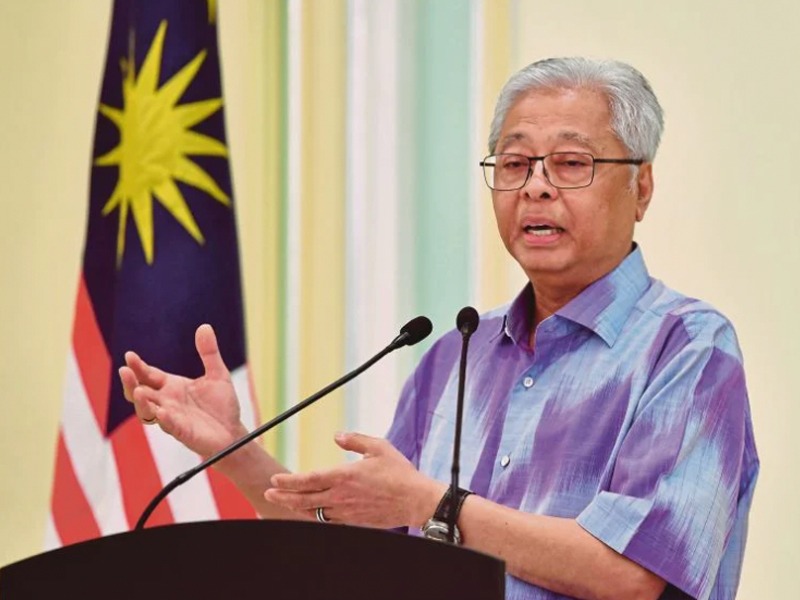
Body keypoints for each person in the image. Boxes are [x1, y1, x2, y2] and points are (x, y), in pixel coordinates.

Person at [120, 57, 758, 600]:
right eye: (514, 163)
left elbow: (633, 574)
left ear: (641, 188)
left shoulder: (688, 348)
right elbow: (363, 558)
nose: (535, 188)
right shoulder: (457, 354)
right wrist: (234, 449)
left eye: (570, 163)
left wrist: (436, 505)